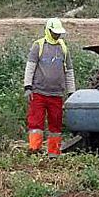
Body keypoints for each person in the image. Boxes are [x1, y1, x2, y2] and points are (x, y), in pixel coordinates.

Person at [24, 18, 76, 157]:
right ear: (48, 31)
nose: (57, 35)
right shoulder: (38, 46)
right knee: (36, 123)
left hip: (57, 94)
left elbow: (69, 71)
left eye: (58, 33)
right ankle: (34, 150)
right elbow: (30, 67)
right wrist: (27, 87)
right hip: (38, 92)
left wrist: (72, 92)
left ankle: (54, 153)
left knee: (56, 125)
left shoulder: (63, 47)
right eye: (55, 33)